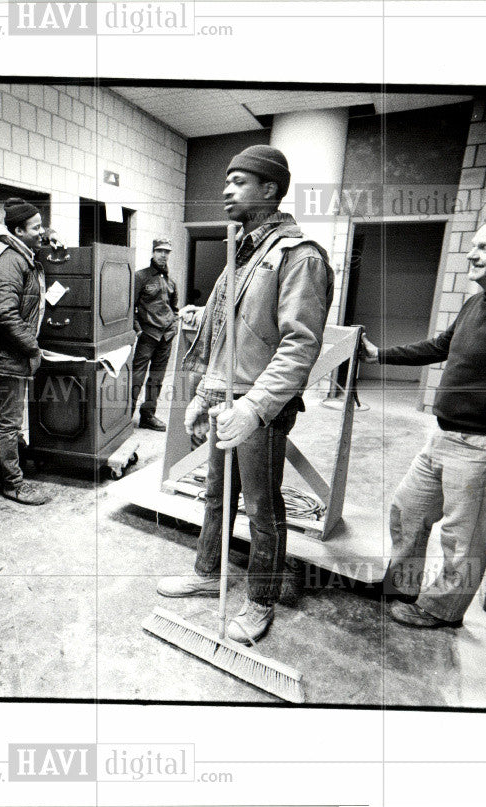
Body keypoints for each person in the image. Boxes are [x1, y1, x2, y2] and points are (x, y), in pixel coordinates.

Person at [156, 145, 334, 643]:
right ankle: (207, 571)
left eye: (238, 181)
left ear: (270, 189)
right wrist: (202, 394)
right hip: (222, 398)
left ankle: (260, 599)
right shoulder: (242, 252)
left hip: (260, 408)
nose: (225, 190)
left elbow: (300, 346)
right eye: (226, 181)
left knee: (261, 507)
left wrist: (254, 409)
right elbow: (219, 330)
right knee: (216, 495)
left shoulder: (299, 257)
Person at [361, 203, 486, 628]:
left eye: (485, 247)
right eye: (473, 245)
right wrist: (380, 354)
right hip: (445, 436)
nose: (472, 254)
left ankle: (441, 610)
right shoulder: (478, 302)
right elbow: (439, 346)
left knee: (462, 540)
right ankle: (405, 587)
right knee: (407, 510)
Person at [0, 197, 50, 506]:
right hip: (11, 353)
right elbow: (5, 315)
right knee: (10, 422)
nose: (41, 231)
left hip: (8, 352)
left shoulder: (18, 253)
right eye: (36, 227)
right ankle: (14, 484)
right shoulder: (10, 262)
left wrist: (51, 234)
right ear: (18, 230)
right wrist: (32, 347)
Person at [131, 237, 179, 431]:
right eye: (160, 251)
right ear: (153, 252)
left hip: (166, 337)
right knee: (136, 377)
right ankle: (125, 416)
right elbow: (130, 307)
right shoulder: (141, 277)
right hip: (147, 336)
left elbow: (174, 308)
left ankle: (148, 415)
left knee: (157, 379)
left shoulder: (171, 281)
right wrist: (138, 330)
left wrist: (173, 326)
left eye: (167, 252)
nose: (163, 255)